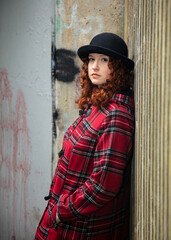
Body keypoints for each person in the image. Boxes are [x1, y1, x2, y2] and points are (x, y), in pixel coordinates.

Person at [35, 32, 135, 240]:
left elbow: (103, 185)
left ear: (118, 67)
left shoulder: (115, 115)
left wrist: (61, 212)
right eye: (91, 59)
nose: (94, 66)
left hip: (82, 228)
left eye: (104, 60)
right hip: (68, 222)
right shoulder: (99, 105)